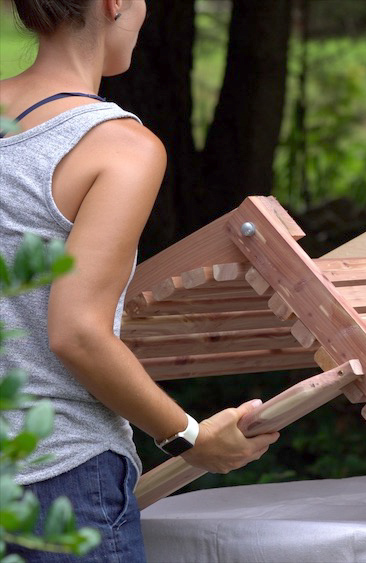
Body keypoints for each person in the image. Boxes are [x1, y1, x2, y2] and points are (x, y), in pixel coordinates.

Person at [0, 1, 279, 560]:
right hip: (58, 476)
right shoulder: (118, 146)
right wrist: (191, 438)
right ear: (113, 3)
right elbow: (77, 332)